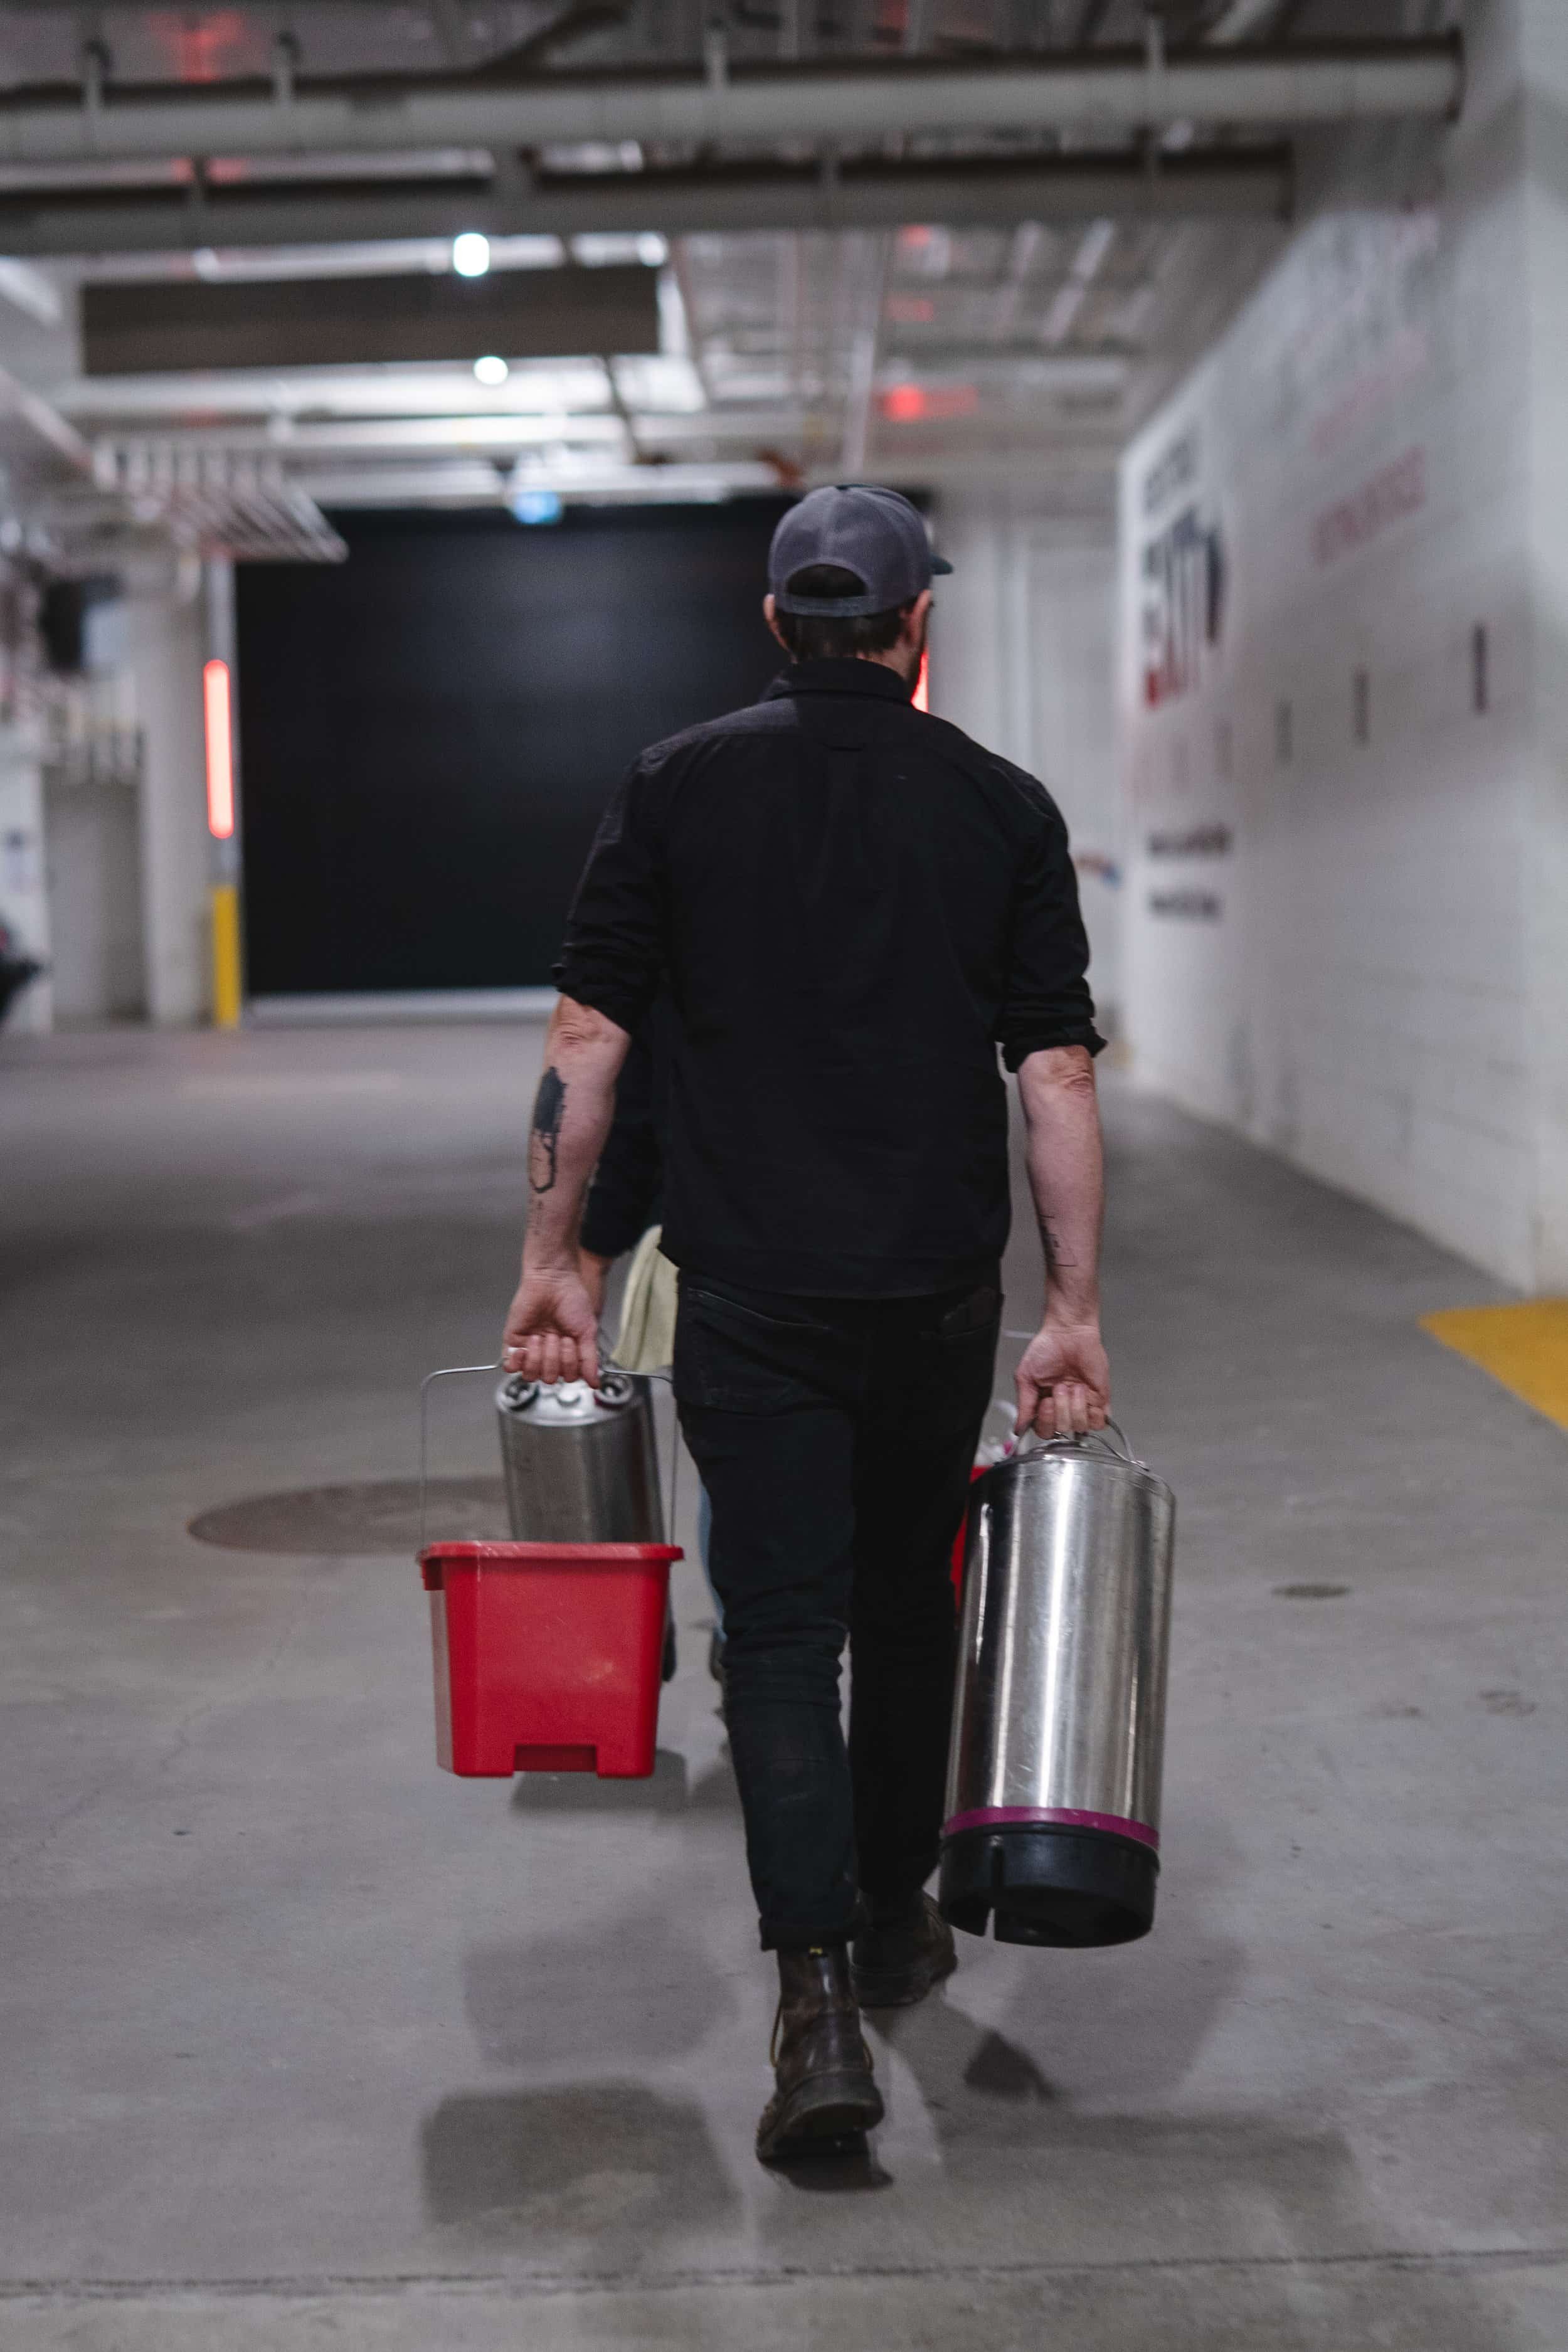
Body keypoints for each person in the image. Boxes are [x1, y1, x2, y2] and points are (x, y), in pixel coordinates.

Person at [502, 484, 1110, 2164]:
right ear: (922, 631)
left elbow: (588, 1036)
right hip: (927, 1290)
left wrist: (552, 1255)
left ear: (777, 623)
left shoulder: (673, 787)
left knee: (773, 1631)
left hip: (751, 1287)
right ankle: (899, 1912)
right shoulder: (1000, 808)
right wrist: (1068, 1310)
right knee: (906, 1613)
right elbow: (1051, 1071)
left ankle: (817, 1999)